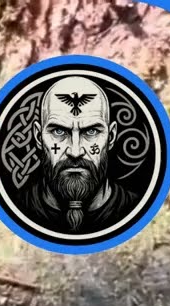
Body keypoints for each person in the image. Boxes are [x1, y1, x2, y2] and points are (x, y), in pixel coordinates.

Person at [15, 76, 139, 234]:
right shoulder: (19, 208)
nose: (75, 151)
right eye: (59, 131)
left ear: (111, 136)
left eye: (91, 131)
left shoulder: (133, 209)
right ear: (39, 137)